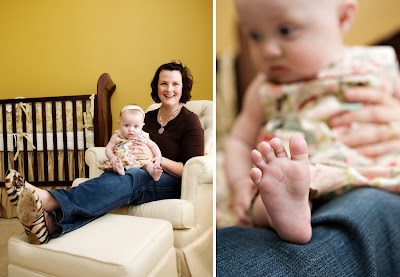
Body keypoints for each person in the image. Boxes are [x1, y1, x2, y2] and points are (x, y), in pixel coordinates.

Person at [224, 0, 400, 246]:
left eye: (286, 30)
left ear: (343, 18)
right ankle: (286, 215)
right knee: (267, 192)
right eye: (255, 35)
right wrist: (241, 183)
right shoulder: (264, 87)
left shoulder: (378, 64)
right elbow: (238, 140)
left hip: (374, 172)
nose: (268, 50)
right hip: (297, 180)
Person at [5, 61, 204, 245]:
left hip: (168, 180)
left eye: (175, 84)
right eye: (164, 83)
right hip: (137, 171)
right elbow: (124, 142)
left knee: (131, 177)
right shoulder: (146, 117)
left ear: (183, 88)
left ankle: (49, 199)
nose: (169, 89)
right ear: (157, 87)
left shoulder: (190, 121)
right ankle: (50, 224)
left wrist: (154, 159)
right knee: (117, 176)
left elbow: (190, 168)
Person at [98, 104, 163, 181]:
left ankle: (154, 173)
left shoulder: (143, 136)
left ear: (142, 126)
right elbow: (109, 148)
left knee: (148, 165)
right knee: (115, 164)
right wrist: (112, 157)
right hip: (122, 160)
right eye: (126, 125)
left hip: (140, 161)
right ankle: (119, 169)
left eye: (136, 126)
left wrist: (158, 156)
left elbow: (153, 146)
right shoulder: (117, 135)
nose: (131, 130)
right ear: (119, 123)